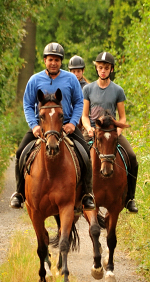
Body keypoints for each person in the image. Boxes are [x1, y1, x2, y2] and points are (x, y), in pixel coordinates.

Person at [10, 42, 96, 211]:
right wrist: (34, 126)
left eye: (57, 60)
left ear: (61, 61)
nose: (53, 63)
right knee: (20, 153)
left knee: (85, 153)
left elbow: (79, 102)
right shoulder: (35, 80)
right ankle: (19, 193)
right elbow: (27, 104)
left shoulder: (71, 79)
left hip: (65, 127)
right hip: (42, 126)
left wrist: (72, 123)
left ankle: (87, 194)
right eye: (50, 59)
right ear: (45, 61)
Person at [81, 51, 139, 213]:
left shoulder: (118, 90)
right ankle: (79, 196)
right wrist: (88, 128)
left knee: (132, 157)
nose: (103, 70)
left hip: (111, 133)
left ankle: (130, 199)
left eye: (106, 68)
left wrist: (119, 130)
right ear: (97, 69)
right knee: (78, 157)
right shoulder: (88, 89)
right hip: (93, 131)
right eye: (100, 67)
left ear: (111, 69)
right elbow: (84, 116)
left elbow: (123, 116)